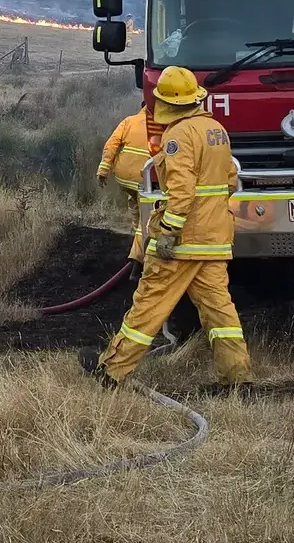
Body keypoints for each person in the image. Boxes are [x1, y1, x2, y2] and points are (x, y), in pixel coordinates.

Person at [82, 65, 253, 393]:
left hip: (183, 243)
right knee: (220, 312)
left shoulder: (177, 136)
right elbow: (230, 181)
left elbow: (182, 192)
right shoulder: (216, 130)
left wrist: (168, 232)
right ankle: (237, 379)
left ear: (168, 103)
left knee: (149, 303)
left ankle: (111, 371)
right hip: (215, 241)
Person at [98, 107, 157, 263]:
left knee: (135, 201)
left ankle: (136, 231)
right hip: (143, 177)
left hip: (123, 178)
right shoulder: (160, 124)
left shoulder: (129, 121)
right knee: (146, 217)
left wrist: (103, 171)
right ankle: (137, 257)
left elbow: (111, 145)